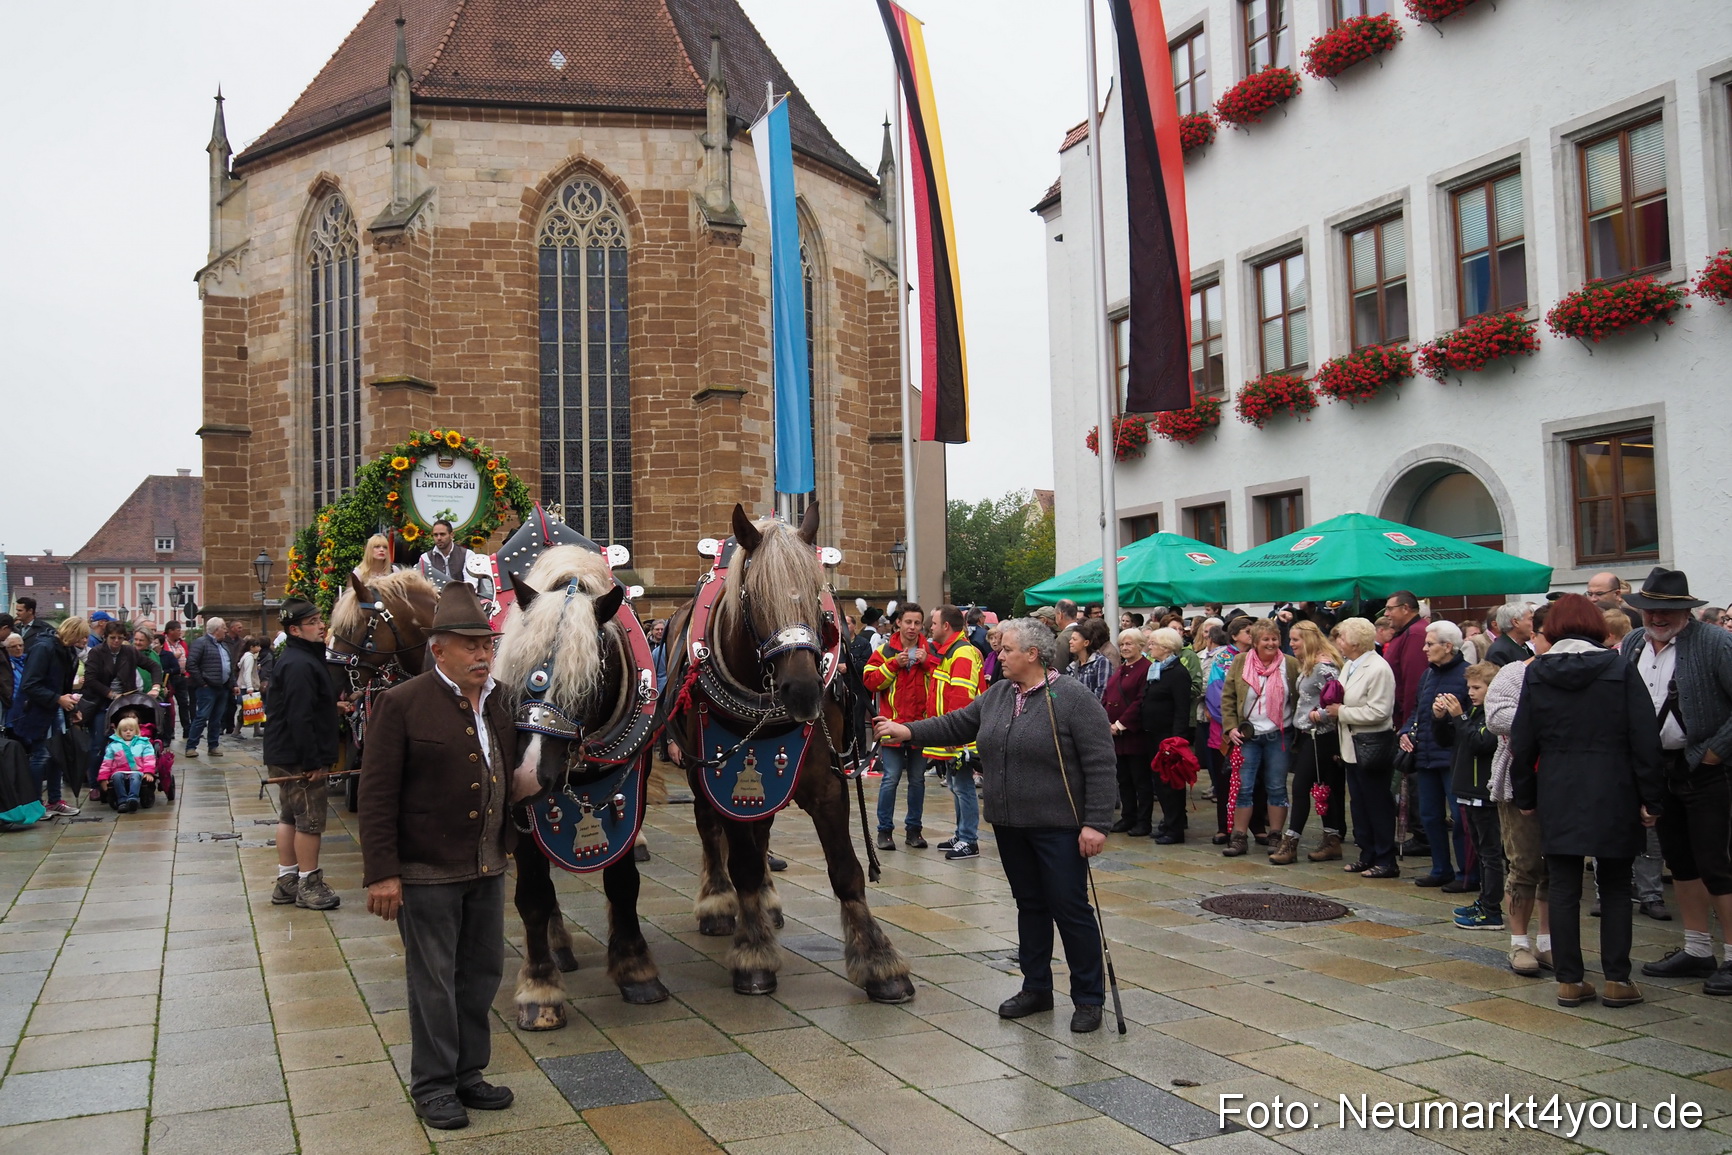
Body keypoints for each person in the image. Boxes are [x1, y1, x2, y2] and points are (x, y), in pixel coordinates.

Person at [874, 618, 1115, 1033]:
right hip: (1009, 823)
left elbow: (1100, 762)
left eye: (1006, 651)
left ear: (1032, 655)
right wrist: (907, 730)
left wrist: (1096, 823)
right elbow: (955, 724)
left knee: (1070, 910)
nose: (998, 656)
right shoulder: (999, 694)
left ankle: (1089, 998)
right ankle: (1036, 988)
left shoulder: (1072, 697)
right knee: (1030, 907)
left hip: (1058, 826)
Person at [360, 583, 519, 1129]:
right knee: (433, 980)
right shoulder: (401, 704)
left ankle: (468, 1073)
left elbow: (510, 769)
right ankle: (433, 1085)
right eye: (470, 646)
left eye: (487, 645)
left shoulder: (501, 700)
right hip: (426, 870)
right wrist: (382, 873)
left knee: (482, 973)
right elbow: (375, 796)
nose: (482, 654)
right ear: (439, 650)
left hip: (487, 863)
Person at [1511, 593, 1662, 1008]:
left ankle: (1570, 980)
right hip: (1614, 784)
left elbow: (1523, 740)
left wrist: (1525, 793)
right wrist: (1652, 797)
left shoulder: (1537, 672)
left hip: (1559, 785)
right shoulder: (1618, 667)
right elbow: (1643, 735)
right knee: (1613, 885)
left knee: (1562, 885)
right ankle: (1617, 978)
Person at [1621, 568, 1732, 995]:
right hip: (1657, 770)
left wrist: (1715, 751)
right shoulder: (1632, 643)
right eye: (1650, 609)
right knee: (1681, 862)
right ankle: (1698, 949)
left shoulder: (1717, 643)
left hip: (1708, 769)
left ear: (1685, 610)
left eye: (1667, 610)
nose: (1657, 617)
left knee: (1716, 864)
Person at [264, 602, 342, 911]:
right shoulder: (300, 663)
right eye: (313, 622)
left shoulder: (299, 658)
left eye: (320, 619)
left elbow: (299, 704)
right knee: (309, 820)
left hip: (284, 751)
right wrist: (311, 762)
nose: (321, 625)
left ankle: (287, 881)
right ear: (294, 630)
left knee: (288, 816)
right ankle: (309, 884)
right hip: (299, 756)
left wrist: (331, 707)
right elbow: (299, 715)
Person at [1401, 621, 1471, 889]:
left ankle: (1467, 873)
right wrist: (1406, 732)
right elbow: (1417, 711)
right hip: (1426, 755)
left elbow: (1472, 717)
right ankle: (1440, 868)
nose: (1424, 648)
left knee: (1460, 818)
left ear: (1448, 646)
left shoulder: (1466, 674)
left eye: (1430, 644)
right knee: (1429, 816)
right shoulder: (1427, 675)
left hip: (1453, 758)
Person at [1219, 620, 1298, 858]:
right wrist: (1231, 727)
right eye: (1265, 639)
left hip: (1279, 735)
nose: (1271, 643)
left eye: (1274, 639)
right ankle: (1239, 837)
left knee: (1276, 786)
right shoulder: (1241, 662)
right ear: (1255, 642)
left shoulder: (1290, 664)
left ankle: (1276, 835)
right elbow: (1228, 697)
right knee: (1244, 787)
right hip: (1248, 736)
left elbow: (1299, 696)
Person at [1437, 662, 1504, 930]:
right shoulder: (1474, 711)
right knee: (1479, 851)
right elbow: (1448, 740)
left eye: (1477, 687)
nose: (1471, 692)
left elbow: (1480, 743)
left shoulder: (1493, 715)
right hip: (1467, 791)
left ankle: (1492, 909)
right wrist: (1439, 717)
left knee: (1490, 854)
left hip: (1484, 794)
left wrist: (1458, 717)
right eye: (1469, 687)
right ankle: (1484, 901)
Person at [1330, 617, 1399, 877]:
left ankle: (1385, 858)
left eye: (1342, 637)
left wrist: (1341, 712)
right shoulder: (1349, 665)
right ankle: (1367, 853)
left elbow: (1380, 712)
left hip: (1372, 745)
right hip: (1351, 745)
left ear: (1356, 642)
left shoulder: (1378, 668)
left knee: (1377, 803)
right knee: (1359, 803)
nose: (1338, 642)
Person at [862, 605, 934, 851]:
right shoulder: (884, 651)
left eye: (917, 623)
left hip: (921, 727)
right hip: (891, 726)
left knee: (917, 780)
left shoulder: (930, 651)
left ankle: (914, 830)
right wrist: (892, 664)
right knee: (890, 778)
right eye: (908, 622)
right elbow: (870, 682)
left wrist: (928, 664)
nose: (913, 627)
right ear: (898, 624)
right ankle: (885, 832)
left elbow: (940, 683)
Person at [8, 617, 87, 816]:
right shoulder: (44, 648)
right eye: (82, 636)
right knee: (41, 757)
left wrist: (71, 708)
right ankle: (35, 804)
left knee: (56, 756)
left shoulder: (67, 650)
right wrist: (58, 699)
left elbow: (63, 685)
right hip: (38, 711)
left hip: (54, 709)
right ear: (72, 633)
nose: (84, 641)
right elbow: (30, 684)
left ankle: (54, 801)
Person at [1280, 620, 1343, 864]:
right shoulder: (1309, 665)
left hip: (1321, 736)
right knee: (1322, 788)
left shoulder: (1324, 669)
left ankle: (1291, 842)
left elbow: (1339, 699)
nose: (1291, 644)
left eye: (1295, 639)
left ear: (1309, 640)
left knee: (1300, 787)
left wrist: (1322, 714)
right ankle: (1332, 839)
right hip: (1308, 735)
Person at [925, 606, 984, 860]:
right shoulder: (952, 652)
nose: (931, 627)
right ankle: (962, 834)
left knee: (962, 786)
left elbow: (962, 696)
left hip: (959, 736)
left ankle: (969, 840)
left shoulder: (961, 653)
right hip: (953, 733)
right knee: (956, 784)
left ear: (946, 626)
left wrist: (953, 734)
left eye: (934, 623)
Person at [1139, 627, 1193, 843]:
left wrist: (1176, 739)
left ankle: (1175, 827)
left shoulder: (1178, 673)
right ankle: (1168, 822)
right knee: (1160, 783)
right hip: (1153, 733)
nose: (1149, 647)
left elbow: (1182, 708)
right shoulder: (1158, 668)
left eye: (1153, 644)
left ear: (1166, 647)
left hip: (1168, 737)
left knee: (1171, 784)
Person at [1102, 629, 1151, 836]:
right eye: (1122, 644)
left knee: (1140, 780)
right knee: (1124, 778)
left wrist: (1121, 724)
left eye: (1129, 644)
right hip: (1115, 735)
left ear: (1141, 645)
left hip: (1133, 734)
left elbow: (1141, 700)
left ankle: (1143, 820)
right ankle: (1128, 816)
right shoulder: (1121, 669)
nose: (1124, 648)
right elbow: (1108, 694)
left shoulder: (1146, 669)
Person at [185, 617, 235, 758]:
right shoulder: (201, 643)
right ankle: (191, 746)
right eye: (223, 627)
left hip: (222, 687)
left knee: (216, 718)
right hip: (207, 688)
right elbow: (191, 664)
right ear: (216, 630)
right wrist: (202, 682)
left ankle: (213, 745)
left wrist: (233, 684)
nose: (226, 630)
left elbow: (229, 666)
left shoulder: (223, 645)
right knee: (202, 717)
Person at [98, 714, 157, 813]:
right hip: (119, 770)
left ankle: (133, 798)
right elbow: (107, 762)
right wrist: (103, 777)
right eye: (125, 730)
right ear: (119, 732)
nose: (128, 732)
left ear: (136, 731)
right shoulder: (113, 746)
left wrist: (149, 772)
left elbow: (149, 758)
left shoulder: (144, 743)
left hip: (137, 770)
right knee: (117, 777)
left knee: (135, 777)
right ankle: (122, 801)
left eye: (131, 730)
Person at [417, 519, 478, 591]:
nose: (439, 538)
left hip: (463, 598)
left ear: (451, 535)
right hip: (437, 599)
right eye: (435, 535)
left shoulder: (468, 554)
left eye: (442, 534)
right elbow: (424, 585)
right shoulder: (425, 557)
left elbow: (471, 583)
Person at [1064, 618, 1112, 701]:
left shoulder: (1101, 662)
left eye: (1074, 639)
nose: (1070, 642)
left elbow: (1103, 691)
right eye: (1071, 639)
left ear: (1086, 643)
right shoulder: (1071, 667)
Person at [160, 621, 192, 741]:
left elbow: (187, 657)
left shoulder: (182, 643)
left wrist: (187, 673)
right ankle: (169, 731)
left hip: (182, 676)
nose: (180, 632)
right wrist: (174, 658)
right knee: (169, 706)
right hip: (169, 677)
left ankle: (186, 729)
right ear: (170, 631)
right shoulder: (163, 643)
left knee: (184, 703)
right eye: (178, 630)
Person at [236, 636, 264, 739]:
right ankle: (236, 731)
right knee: (247, 709)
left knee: (254, 708)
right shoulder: (249, 657)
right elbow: (247, 673)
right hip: (248, 686)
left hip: (247, 685)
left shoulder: (248, 656)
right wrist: (249, 687)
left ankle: (256, 730)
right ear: (252, 647)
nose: (259, 648)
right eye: (258, 646)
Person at [0, 633, 23, 724]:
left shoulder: (29, 661)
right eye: (14, 646)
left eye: (20, 645)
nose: (18, 648)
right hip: (11, 704)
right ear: (7, 649)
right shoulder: (5, 664)